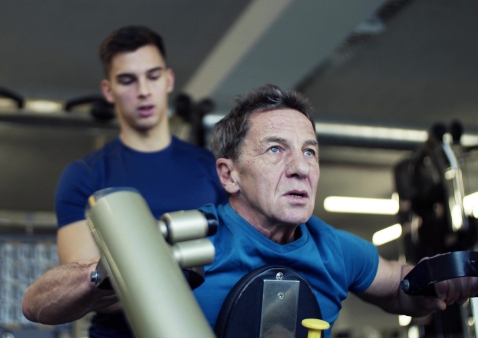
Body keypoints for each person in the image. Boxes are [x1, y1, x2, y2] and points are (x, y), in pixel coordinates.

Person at [192, 83, 478, 336]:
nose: (301, 168)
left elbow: (398, 288)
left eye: (309, 151)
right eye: (275, 149)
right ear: (229, 176)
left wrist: (439, 278)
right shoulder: (190, 243)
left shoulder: (334, 249)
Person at [21, 26, 227, 337]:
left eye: (153, 76)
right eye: (128, 80)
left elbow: (232, 268)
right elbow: (92, 287)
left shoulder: (214, 169)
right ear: (108, 90)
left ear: (169, 79)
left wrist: (133, 270)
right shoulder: (84, 175)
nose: (143, 90)